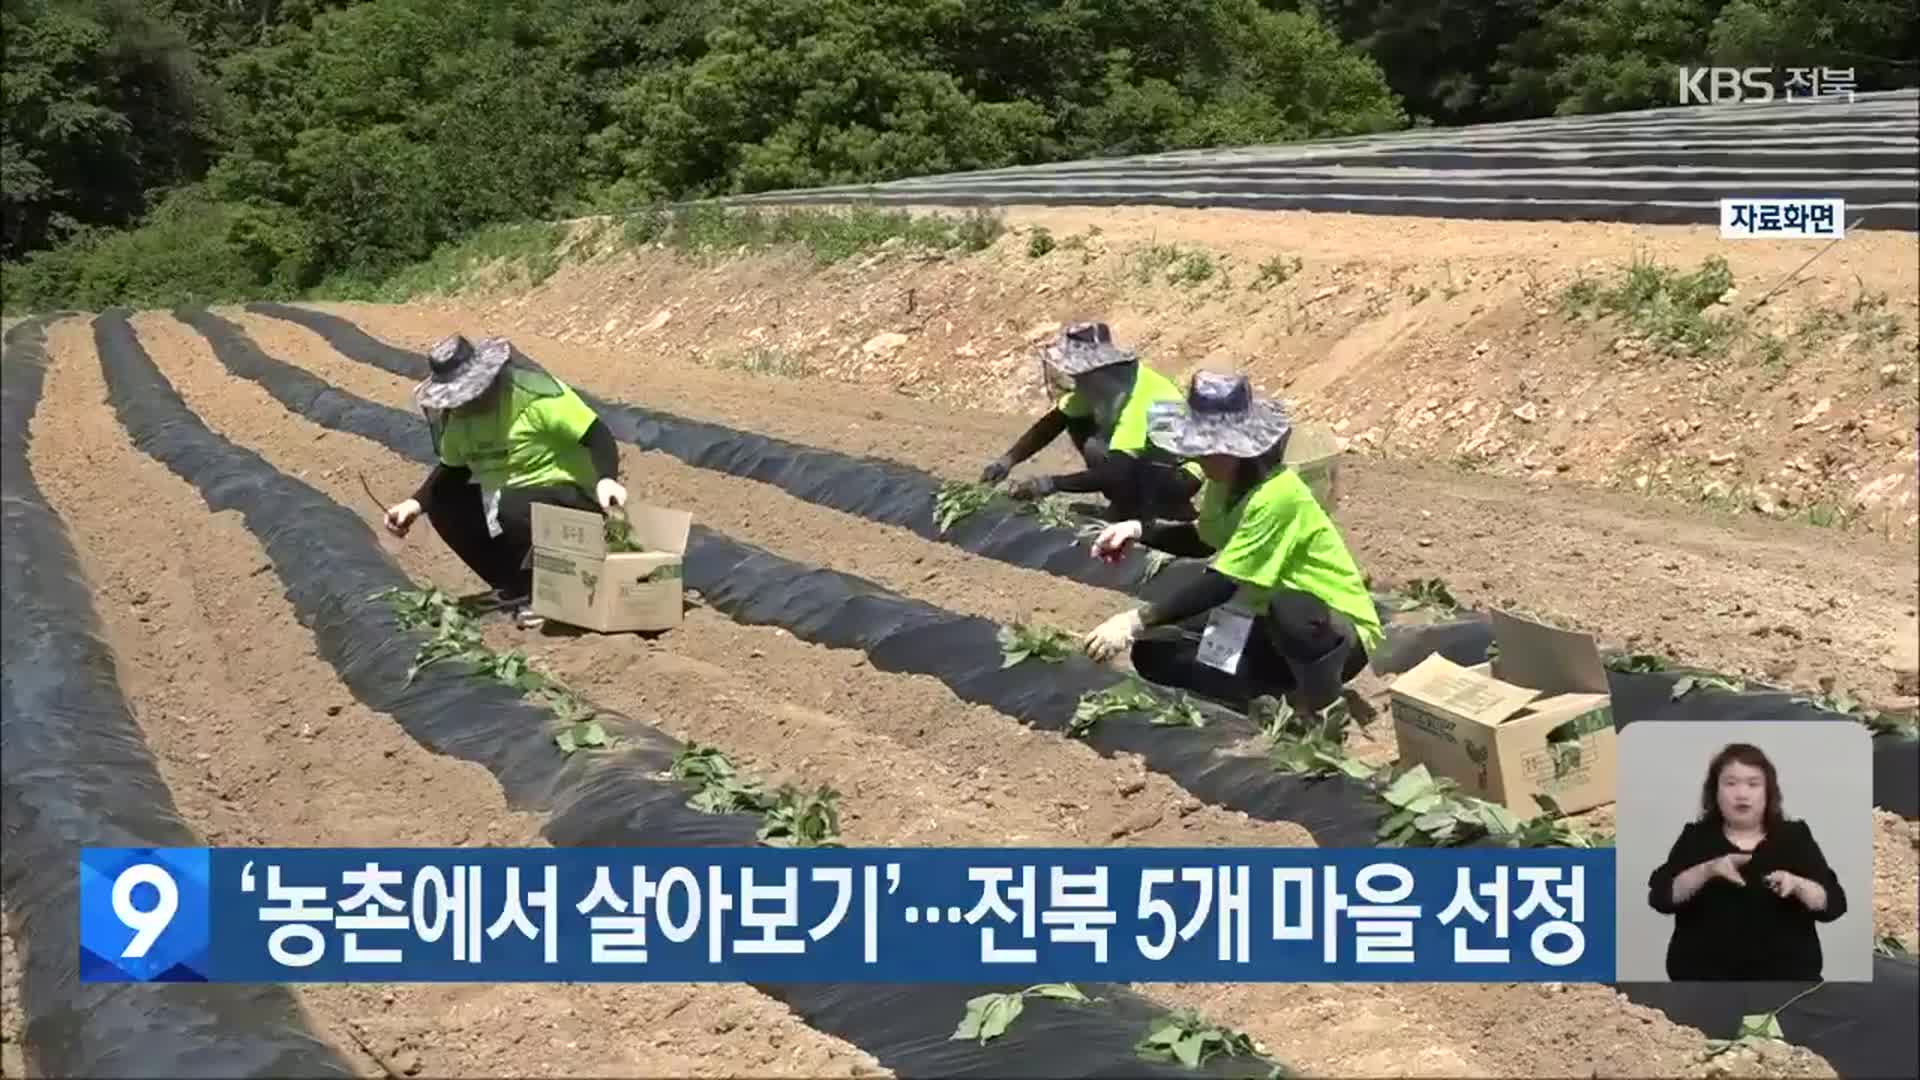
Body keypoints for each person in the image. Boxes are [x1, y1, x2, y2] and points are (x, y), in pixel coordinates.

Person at [1079, 371, 1382, 713]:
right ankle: (1268, 696)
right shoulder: (1224, 483)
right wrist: (1137, 529)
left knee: (1290, 607)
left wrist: (1135, 621)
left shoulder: (1279, 496)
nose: (1201, 456)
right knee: (1156, 651)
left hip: (1331, 633)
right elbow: (1202, 539)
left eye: (1211, 448)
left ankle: (1322, 705)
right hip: (1262, 622)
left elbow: (1223, 582)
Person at [382, 334, 628, 630]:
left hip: (576, 506)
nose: (467, 403)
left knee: (513, 503)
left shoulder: (538, 399)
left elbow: (596, 435)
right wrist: (414, 503)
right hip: (511, 509)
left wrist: (606, 480)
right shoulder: (460, 422)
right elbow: (451, 471)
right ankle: (519, 585)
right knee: (446, 504)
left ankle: (556, 593)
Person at [1647, 742, 1846, 981]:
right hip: (1702, 983)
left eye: (1753, 784)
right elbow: (1661, 897)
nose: (1741, 794)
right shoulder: (1696, 837)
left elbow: (1833, 903)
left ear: (1768, 792)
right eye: (1730, 783)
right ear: (1715, 791)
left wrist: (1796, 884)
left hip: (1787, 983)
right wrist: (1708, 870)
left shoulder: (1795, 837)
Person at [979, 320, 1203, 522]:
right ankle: (1131, 506)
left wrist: (1050, 484)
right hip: (1151, 463)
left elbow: (1115, 473)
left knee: (1105, 454)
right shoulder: (1103, 387)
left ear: (1095, 371)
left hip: (1181, 475)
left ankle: (1161, 508)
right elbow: (1053, 423)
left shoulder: (1142, 399)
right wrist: (1008, 460)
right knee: (1082, 428)